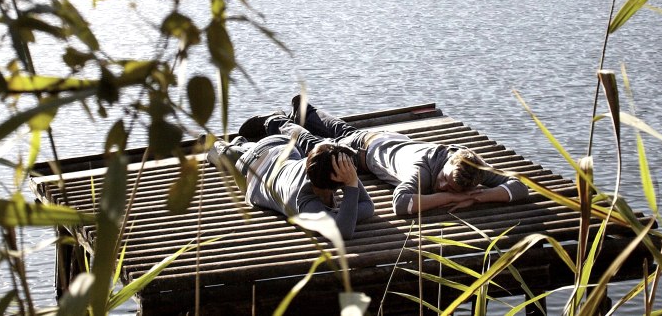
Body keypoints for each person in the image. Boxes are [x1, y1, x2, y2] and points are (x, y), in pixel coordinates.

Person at [259, 97, 530, 217]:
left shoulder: (467, 163)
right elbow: (401, 204)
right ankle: (276, 122)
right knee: (317, 145)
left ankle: (306, 110)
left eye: (452, 187)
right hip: (364, 151)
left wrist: (477, 196)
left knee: (344, 130)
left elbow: (520, 186)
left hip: (388, 140)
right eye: (445, 180)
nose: (443, 186)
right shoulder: (421, 170)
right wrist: (452, 197)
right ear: (447, 165)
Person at [208, 118, 376, 239]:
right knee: (225, 155)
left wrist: (341, 210)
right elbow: (344, 232)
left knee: (247, 149)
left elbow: (368, 207)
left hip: (284, 147)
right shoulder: (305, 202)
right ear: (335, 181)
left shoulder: (320, 166)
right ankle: (224, 146)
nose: (352, 174)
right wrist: (350, 188)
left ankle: (243, 144)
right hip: (252, 168)